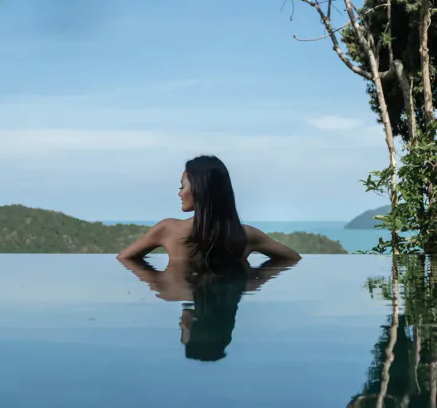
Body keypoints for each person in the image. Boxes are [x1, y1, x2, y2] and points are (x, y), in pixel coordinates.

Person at [116, 155, 302, 265]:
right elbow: (293, 259)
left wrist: (157, 283)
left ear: (198, 190)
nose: (179, 193)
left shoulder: (168, 229)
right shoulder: (245, 235)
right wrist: (257, 279)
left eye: (182, 187)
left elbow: (124, 259)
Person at [118, 255, 298, 361]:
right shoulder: (241, 237)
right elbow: (291, 258)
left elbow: (124, 257)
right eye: (184, 329)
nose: (180, 325)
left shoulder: (168, 291)